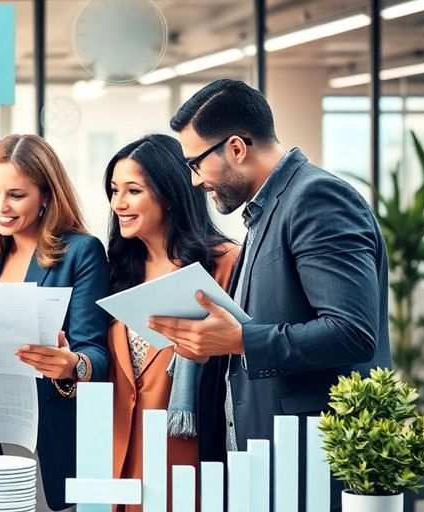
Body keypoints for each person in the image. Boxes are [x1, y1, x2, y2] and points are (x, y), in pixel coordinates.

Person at [150, 79, 392, 509]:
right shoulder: (268, 209)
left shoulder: (316, 198)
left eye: (196, 163)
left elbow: (352, 331)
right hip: (272, 452)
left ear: (237, 148)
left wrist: (241, 339)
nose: (194, 180)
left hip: (314, 459)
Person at [0, 134, 111, 511]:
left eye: (16, 195)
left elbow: (96, 355)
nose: (0, 207)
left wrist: (71, 365)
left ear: (46, 195)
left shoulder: (80, 252)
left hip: (49, 431)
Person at [103, 134, 239, 512]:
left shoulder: (225, 263)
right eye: (114, 190)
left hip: (186, 459)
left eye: (133, 190)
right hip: (118, 458)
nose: (119, 204)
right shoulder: (117, 270)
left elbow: (241, 354)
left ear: (169, 193)